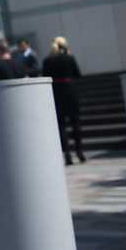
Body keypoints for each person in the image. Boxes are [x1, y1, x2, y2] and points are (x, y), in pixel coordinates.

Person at [42, 36, 85, 165]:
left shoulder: (47, 60)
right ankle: (79, 151)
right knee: (75, 123)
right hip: (70, 91)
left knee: (61, 125)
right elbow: (78, 74)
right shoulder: (69, 58)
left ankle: (67, 154)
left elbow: (45, 76)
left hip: (56, 92)